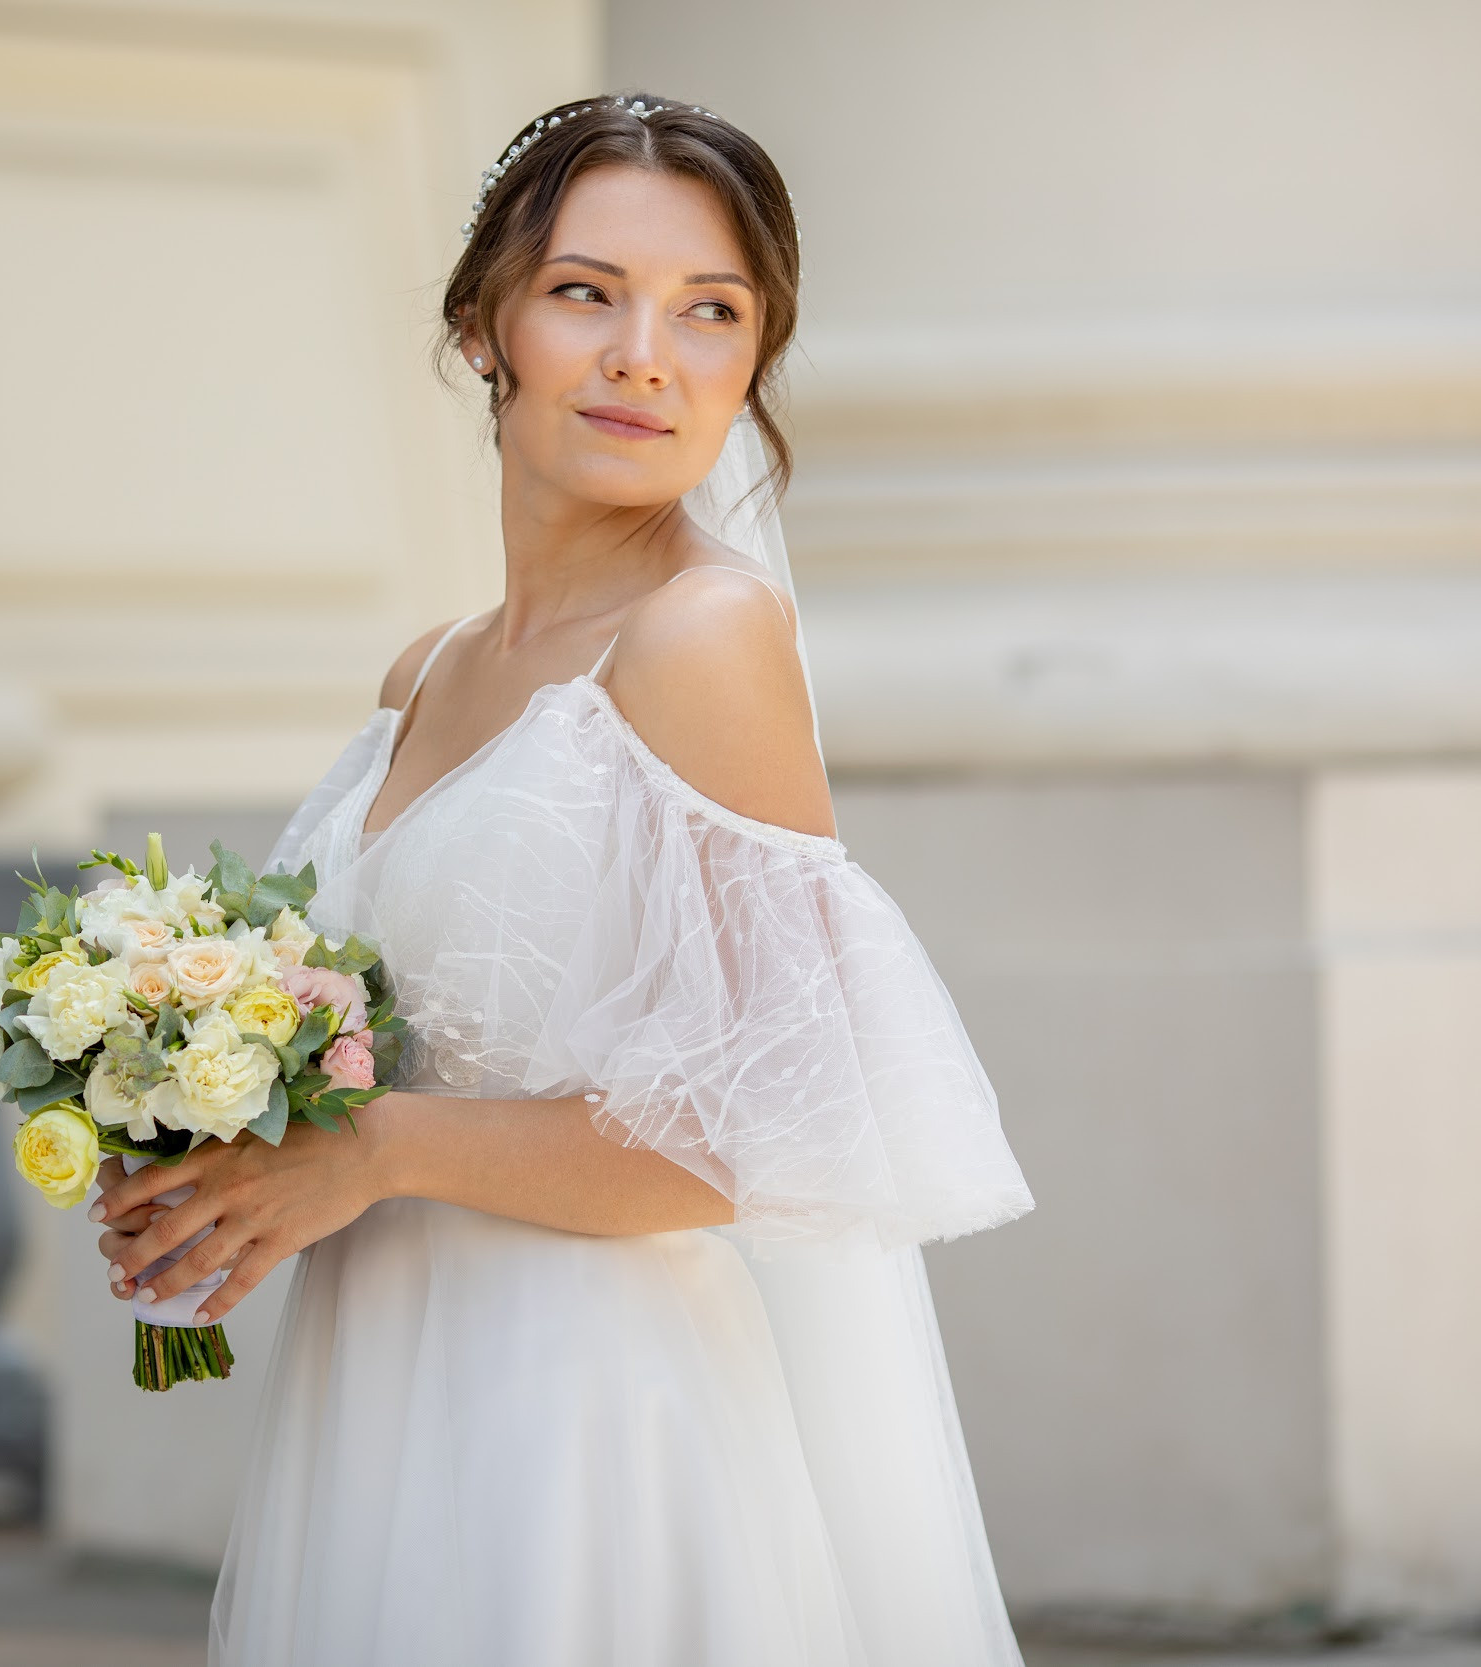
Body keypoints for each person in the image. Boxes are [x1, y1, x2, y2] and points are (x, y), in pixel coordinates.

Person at [88, 92, 1035, 1667]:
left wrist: (377, 1148)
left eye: (710, 313)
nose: (643, 357)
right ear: (486, 326)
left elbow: (767, 1139)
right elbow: (365, 1062)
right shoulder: (424, 673)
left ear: (750, 366)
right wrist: (211, 1153)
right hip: (377, 1384)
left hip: (592, 1413)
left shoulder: (704, 637)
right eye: (587, 292)